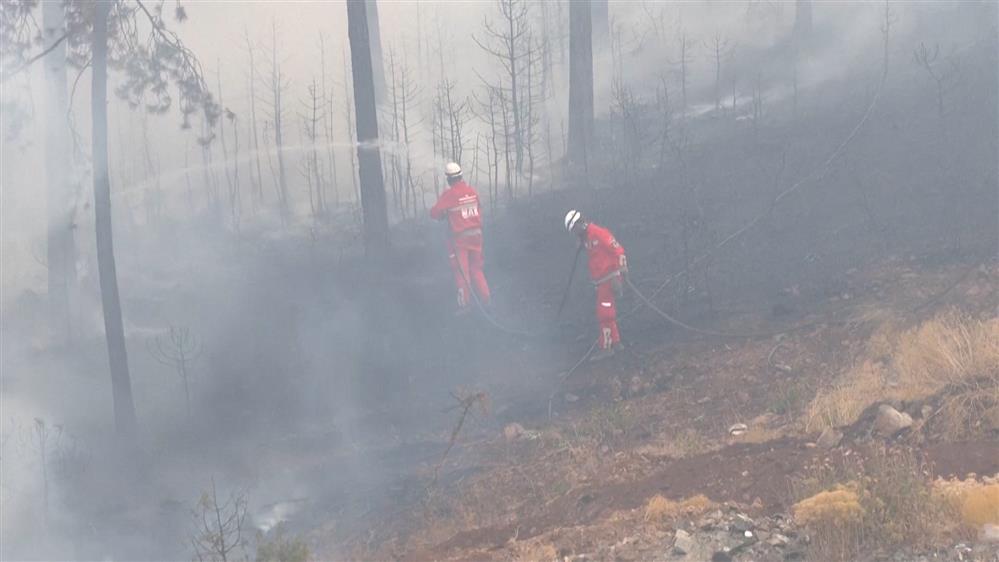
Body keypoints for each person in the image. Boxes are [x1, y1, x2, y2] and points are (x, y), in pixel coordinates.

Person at [564, 209, 628, 360]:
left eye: (574, 230)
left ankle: (606, 347)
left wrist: (623, 266)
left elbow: (617, 248)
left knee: (604, 314)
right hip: (602, 281)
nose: (574, 233)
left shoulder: (598, 233)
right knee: (607, 313)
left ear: (579, 224)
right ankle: (617, 343)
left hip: (609, 279)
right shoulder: (587, 237)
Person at [430, 163, 491, 314]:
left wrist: (445, 214)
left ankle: (465, 306)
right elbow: (478, 211)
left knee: (461, 272)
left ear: (449, 179)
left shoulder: (449, 194)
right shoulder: (472, 191)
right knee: (476, 269)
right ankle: (487, 301)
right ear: (461, 176)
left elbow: (434, 213)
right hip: (477, 237)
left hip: (460, 241)